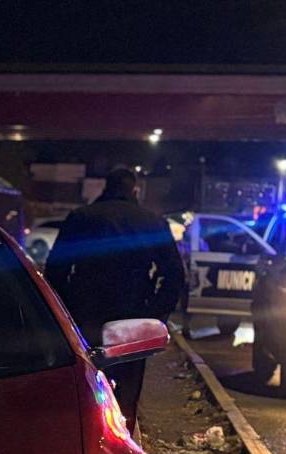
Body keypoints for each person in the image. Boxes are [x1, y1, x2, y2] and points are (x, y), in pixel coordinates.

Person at [45, 167, 186, 430]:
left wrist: (64, 311)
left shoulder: (81, 217)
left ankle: (91, 441)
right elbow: (174, 275)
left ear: (105, 188)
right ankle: (125, 446)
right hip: (133, 313)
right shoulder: (151, 221)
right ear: (134, 190)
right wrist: (156, 314)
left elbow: (56, 270)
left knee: (87, 383)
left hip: (86, 313)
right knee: (128, 389)